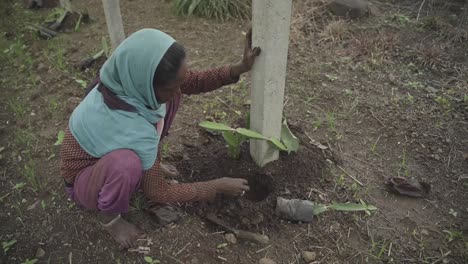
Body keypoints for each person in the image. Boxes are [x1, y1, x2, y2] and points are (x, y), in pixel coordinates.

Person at [60, 28, 261, 248]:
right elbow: (157, 191)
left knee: (168, 100)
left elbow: (191, 81)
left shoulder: (126, 78)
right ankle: (111, 218)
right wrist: (216, 186)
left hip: (108, 151)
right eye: (170, 87)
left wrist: (239, 68)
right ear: (146, 83)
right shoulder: (133, 126)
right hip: (85, 178)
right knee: (126, 165)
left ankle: (148, 164)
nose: (177, 91)